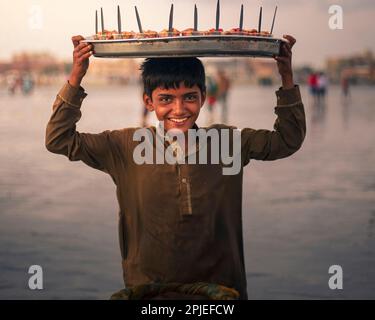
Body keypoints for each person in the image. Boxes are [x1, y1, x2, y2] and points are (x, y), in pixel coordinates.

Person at [45, 34, 306, 300]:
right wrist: (76, 76)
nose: (178, 109)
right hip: (148, 293)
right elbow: (59, 139)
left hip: (221, 293)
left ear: (204, 97)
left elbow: (287, 140)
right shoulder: (124, 146)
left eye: (189, 97)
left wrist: (286, 77)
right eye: (166, 99)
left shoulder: (229, 143)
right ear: (149, 102)